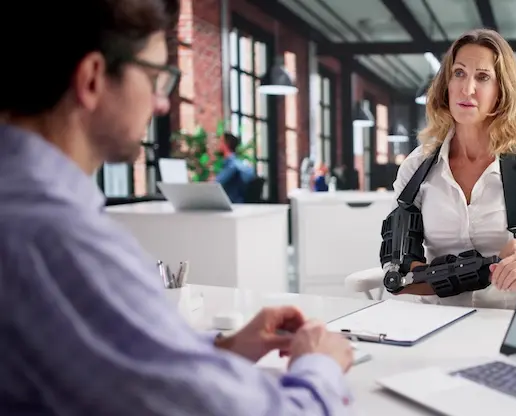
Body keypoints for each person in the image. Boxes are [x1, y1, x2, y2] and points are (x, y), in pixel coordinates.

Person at [0, 1, 353, 414]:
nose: (162, 103)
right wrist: (320, 366)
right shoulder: (54, 237)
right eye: (156, 78)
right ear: (93, 79)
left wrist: (224, 347)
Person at [387, 28, 516, 309]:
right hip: (436, 324)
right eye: (459, 73)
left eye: (483, 77)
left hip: (509, 322)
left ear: (501, 92)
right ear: (446, 85)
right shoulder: (415, 168)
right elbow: (401, 278)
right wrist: (490, 266)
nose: (467, 88)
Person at [216, 132, 256, 203]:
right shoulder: (237, 163)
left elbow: (215, 184)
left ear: (226, 144)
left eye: (220, 141)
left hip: (232, 205)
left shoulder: (232, 165)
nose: (217, 144)